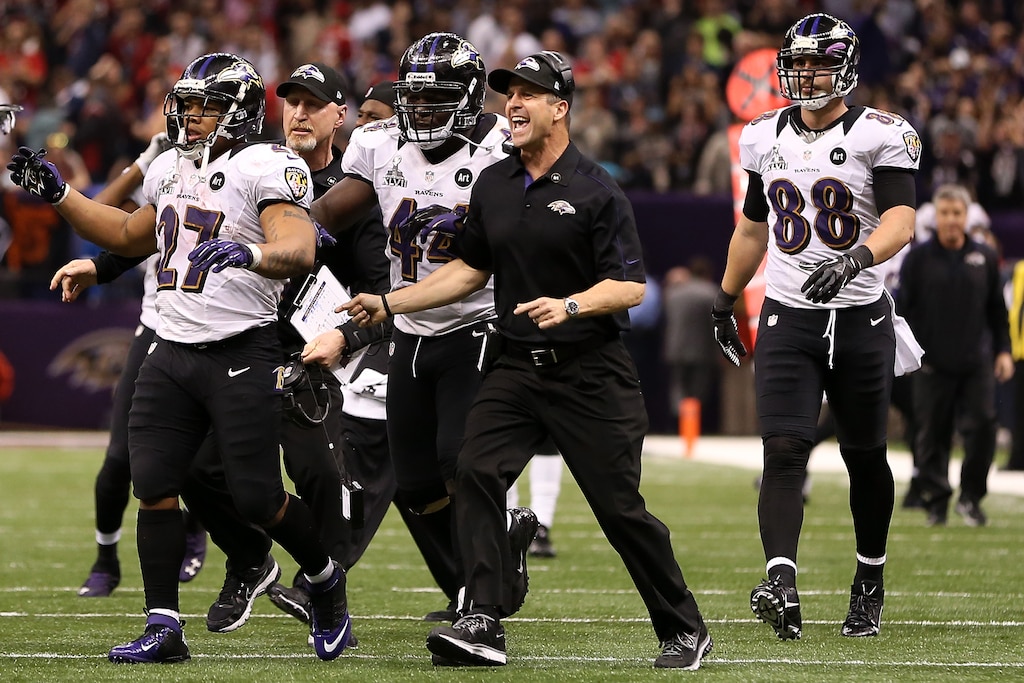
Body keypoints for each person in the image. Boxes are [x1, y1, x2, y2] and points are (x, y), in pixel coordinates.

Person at [339, 49, 712, 670]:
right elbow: (467, 271)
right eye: (508, 93)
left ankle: (682, 625)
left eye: (528, 94)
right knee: (474, 471)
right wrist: (390, 301)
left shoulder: (596, 190)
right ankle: (481, 615)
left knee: (619, 511)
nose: (512, 103)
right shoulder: (494, 182)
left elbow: (630, 286)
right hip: (514, 365)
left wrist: (569, 305)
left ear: (559, 108)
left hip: (589, 369)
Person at [9, 52, 350, 664]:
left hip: (240, 349)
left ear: (240, 113)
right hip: (169, 347)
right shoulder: (169, 166)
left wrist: (249, 254)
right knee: (156, 485)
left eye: (207, 107)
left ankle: (326, 582)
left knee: (256, 498)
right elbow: (125, 235)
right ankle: (163, 625)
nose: (193, 118)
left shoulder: (266, 162)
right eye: (188, 106)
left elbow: (297, 246)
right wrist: (61, 194)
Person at [305, 33, 540, 624]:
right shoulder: (381, 142)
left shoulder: (500, 151)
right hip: (410, 329)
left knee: (458, 463)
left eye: (437, 99)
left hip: (479, 321)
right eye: (415, 98)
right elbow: (332, 212)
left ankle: (478, 596)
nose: (423, 111)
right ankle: (477, 581)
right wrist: (274, 222)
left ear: (466, 98)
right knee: (414, 486)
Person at [711, 14, 920, 641]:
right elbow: (752, 229)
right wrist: (724, 301)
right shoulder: (762, 138)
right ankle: (781, 579)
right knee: (783, 448)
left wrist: (855, 259)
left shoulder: (879, 133)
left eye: (818, 63)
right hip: (788, 312)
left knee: (864, 455)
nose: (806, 75)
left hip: (859, 312)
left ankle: (869, 580)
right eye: (798, 64)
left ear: (847, 67)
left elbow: (902, 218)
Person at [48, 134, 209, 599]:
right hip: (157, 324)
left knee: (203, 464)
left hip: (212, 332)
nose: (192, 120)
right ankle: (105, 557)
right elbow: (100, 218)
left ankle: (198, 527)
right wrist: (143, 162)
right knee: (120, 458)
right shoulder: (166, 169)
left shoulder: (245, 168)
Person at [897, 183, 1013, 527]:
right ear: (936, 216)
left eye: (957, 213)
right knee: (932, 434)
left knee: (983, 427)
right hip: (931, 362)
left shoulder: (985, 257)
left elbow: (997, 310)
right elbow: (902, 309)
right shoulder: (917, 258)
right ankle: (937, 499)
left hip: (975, 360)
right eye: (945, 213)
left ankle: (971, 497)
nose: (951, 220)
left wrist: (1003, 351)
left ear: (966, 217)